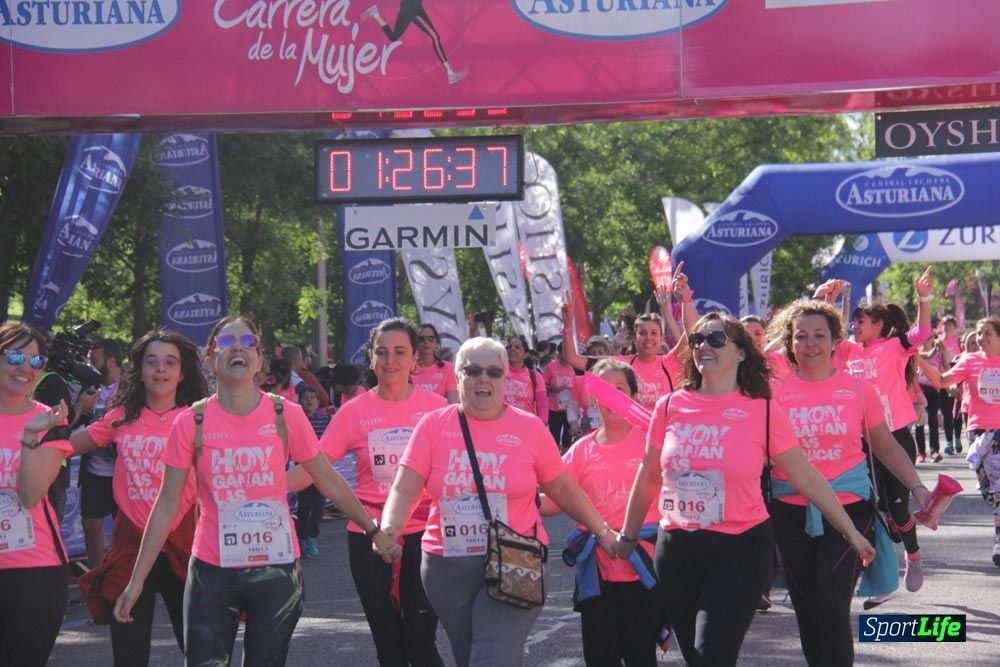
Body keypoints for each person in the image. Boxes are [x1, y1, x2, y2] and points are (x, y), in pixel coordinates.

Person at [114, 316, 398, 665]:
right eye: (227, 343)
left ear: (260, 361)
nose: (238, 349)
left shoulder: (286, 415)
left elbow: (328, 479)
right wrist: (136, 581)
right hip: (212, 570)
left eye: (248, 343)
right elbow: (166, 505)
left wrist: (373, 530)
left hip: (276, 571)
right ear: (210, 358)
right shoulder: (190, 422)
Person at [614, 313, 874, 667]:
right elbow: (648, 474)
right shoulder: (670, 406)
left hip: (739, 550)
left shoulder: (763, 411)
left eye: (716, 340)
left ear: (740, 353)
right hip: (677, 550)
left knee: (712, 657)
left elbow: (807, 477)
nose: (704, 346)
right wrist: (627, 537)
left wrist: (850, 532)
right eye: (698, 341)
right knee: (696, 658)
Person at [379, 337, 620, 667]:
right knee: (471, 656)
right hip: (446, 567)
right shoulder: (433, 426)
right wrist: (391, 526)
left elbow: (563, 488)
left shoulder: (529, 428)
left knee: (492, 655)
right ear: (459, 377)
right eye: (473, 371)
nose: (483, 380)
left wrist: (603, 532)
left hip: (516, 558)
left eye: (493, 372)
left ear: (506, 378)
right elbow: (404, 488)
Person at [769, 301, 931, 665]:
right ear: (789, 343)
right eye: (801, 336)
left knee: (831, 603)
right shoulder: (774, 394)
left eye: (819, 336)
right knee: (807, 609)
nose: (810, 344)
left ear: (835, 341)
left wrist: (919, 488)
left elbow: (887, 448)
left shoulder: (858, 389)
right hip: (790, 509)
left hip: (849, 505)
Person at [313, 318, 448, 667]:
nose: (391, 360)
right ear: (371, 359)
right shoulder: (352, 412)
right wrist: (268, 488)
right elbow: (317, 467)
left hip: (426, 535)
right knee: (388, 645)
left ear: (415, 358)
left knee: (419, 640)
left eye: (400, 351)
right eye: (382, 352)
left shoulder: (438, 410)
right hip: (367, 534)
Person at [70, 330, 209, 667]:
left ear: (182, 372)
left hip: (186, 545)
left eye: (169, 362)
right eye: (152, 362)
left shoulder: (200, 418)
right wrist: (43, 430)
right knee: (129, 656)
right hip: (131, 546)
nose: (160, 370)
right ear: (140, 370)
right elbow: (70, 444)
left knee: (204, 654)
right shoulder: (121, 415)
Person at [541, 359, 664, 667]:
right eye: (603, 390)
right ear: (594, 397)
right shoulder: (581, 450)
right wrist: (516, 495)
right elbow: (555, 500)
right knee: (599, 658)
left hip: (644, 570)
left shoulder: (655, 443)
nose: (611, 396)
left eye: (619, 389)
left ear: (634, 396)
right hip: (597, 574)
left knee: (640, 655)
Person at [833, 269, 933, 597]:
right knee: (870, 507)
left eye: (862, 321)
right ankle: (881, 576)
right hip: (860, 442)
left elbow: (923, 332)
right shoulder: (847, 351)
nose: (855, 326)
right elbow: (828, 333)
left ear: (879, 326)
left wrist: (923, 297)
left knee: (899, 509)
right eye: (855, 321)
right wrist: (830, 299)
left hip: (894, 437)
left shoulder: (893, 346)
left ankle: (913, 557)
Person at [2, 322, 73, 667]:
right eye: (16, 355)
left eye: (36, 361)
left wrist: (30, 438)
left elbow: (31, 495)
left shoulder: (50, 420)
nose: (25, 368)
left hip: (34, 573)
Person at [917, 316, 1000, 566]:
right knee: (988, 492)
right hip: (976, 432)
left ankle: (998, 540)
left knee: (999, 490)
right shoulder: (970, 360)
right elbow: (942, 381)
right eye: (978, 332)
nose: (981, 338)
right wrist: (920, 360)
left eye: (987, 333)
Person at [82, 337, 124, 567]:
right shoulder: (88, 385)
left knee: (125, 527)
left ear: (111, 361)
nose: (89, 365)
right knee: (90, 525)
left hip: (122, 470)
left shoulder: (131, 387)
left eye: (94, 360)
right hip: (93, 470)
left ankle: (124, 573)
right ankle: (97, 575)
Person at [360, 1, 467, 84]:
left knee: (393, 36)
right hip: (413, 8)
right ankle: (450, 73)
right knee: (435, 37)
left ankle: (375, 14)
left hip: (408, 7)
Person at [296, 386, 331, 559]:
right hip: (301, 471)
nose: (309, 401)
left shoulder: (325, 420)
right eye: (305, 398)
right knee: (304, 508)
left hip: (321, 472)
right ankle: (301, 538)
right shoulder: (296, 420)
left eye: (313, 397)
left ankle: (311, 538)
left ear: (318, 402)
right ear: (299, 401)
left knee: (318, 507)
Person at [544, 343, 581, 451]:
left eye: (569, 354)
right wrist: (552, 389)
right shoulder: (551, 367)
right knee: (554, 437)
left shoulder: (576, 367)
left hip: (570, 408)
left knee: (568, 437)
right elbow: (544, 386)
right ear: (559, 353)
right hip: (554, 409)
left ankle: (565, 460)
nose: (567, 356)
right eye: (564, 353)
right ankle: (554, 460)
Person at [504, 335, 548, 422]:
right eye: (509, 347)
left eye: (517, 347)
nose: (512, 349)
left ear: (526, 354)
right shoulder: (498, 373)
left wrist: (542, 424)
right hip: (502, 424)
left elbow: (542, 405)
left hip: (526, 425)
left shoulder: (536, 377)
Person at [411, 323, 459, 403]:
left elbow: (452, 404)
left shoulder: (448, 368)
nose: (426, 342)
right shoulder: (408, 369)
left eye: (431, 338)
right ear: (415, 343)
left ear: (436, 342)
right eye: (421, 339)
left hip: (441, 414)